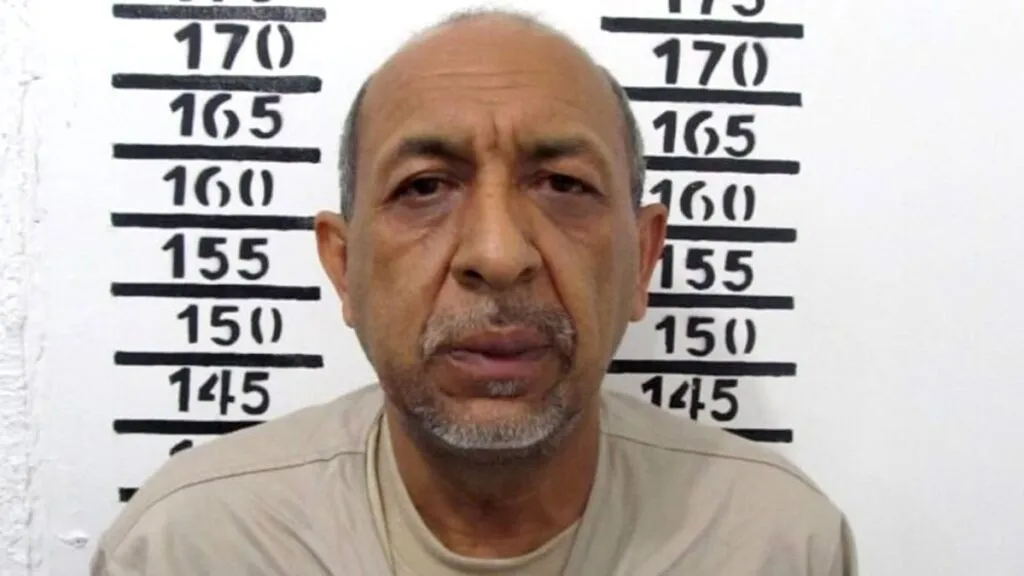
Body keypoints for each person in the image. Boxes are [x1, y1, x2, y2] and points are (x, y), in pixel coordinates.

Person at [91, 8, 857, 576]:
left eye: (564, 185)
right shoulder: (191, 548)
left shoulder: (776, 543)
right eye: (425, 187)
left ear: (643, 258)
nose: (498, 254)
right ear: (344, 265)